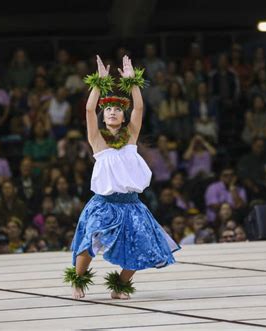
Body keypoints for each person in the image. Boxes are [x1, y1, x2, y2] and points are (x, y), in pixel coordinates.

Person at [65, 55, 180, 300]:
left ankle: (119, 286)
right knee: (89, 241)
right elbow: (88, 109)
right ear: (103, 117)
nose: (113, 112)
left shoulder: (130, 138)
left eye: (117, 109)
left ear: (123, 116)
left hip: (131, 204)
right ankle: (78, 282)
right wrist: (99, 84)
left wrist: (132, 83)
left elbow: (139, 107)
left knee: (142, 247)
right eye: (108, 109)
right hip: (104, 204)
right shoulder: (97, 141)